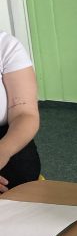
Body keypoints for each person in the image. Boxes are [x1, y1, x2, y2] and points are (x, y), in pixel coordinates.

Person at [0, 31, 41, 193]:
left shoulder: (6, 45)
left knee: (19, 176)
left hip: (4, 133)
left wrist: (3, 151)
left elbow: (24, 114)